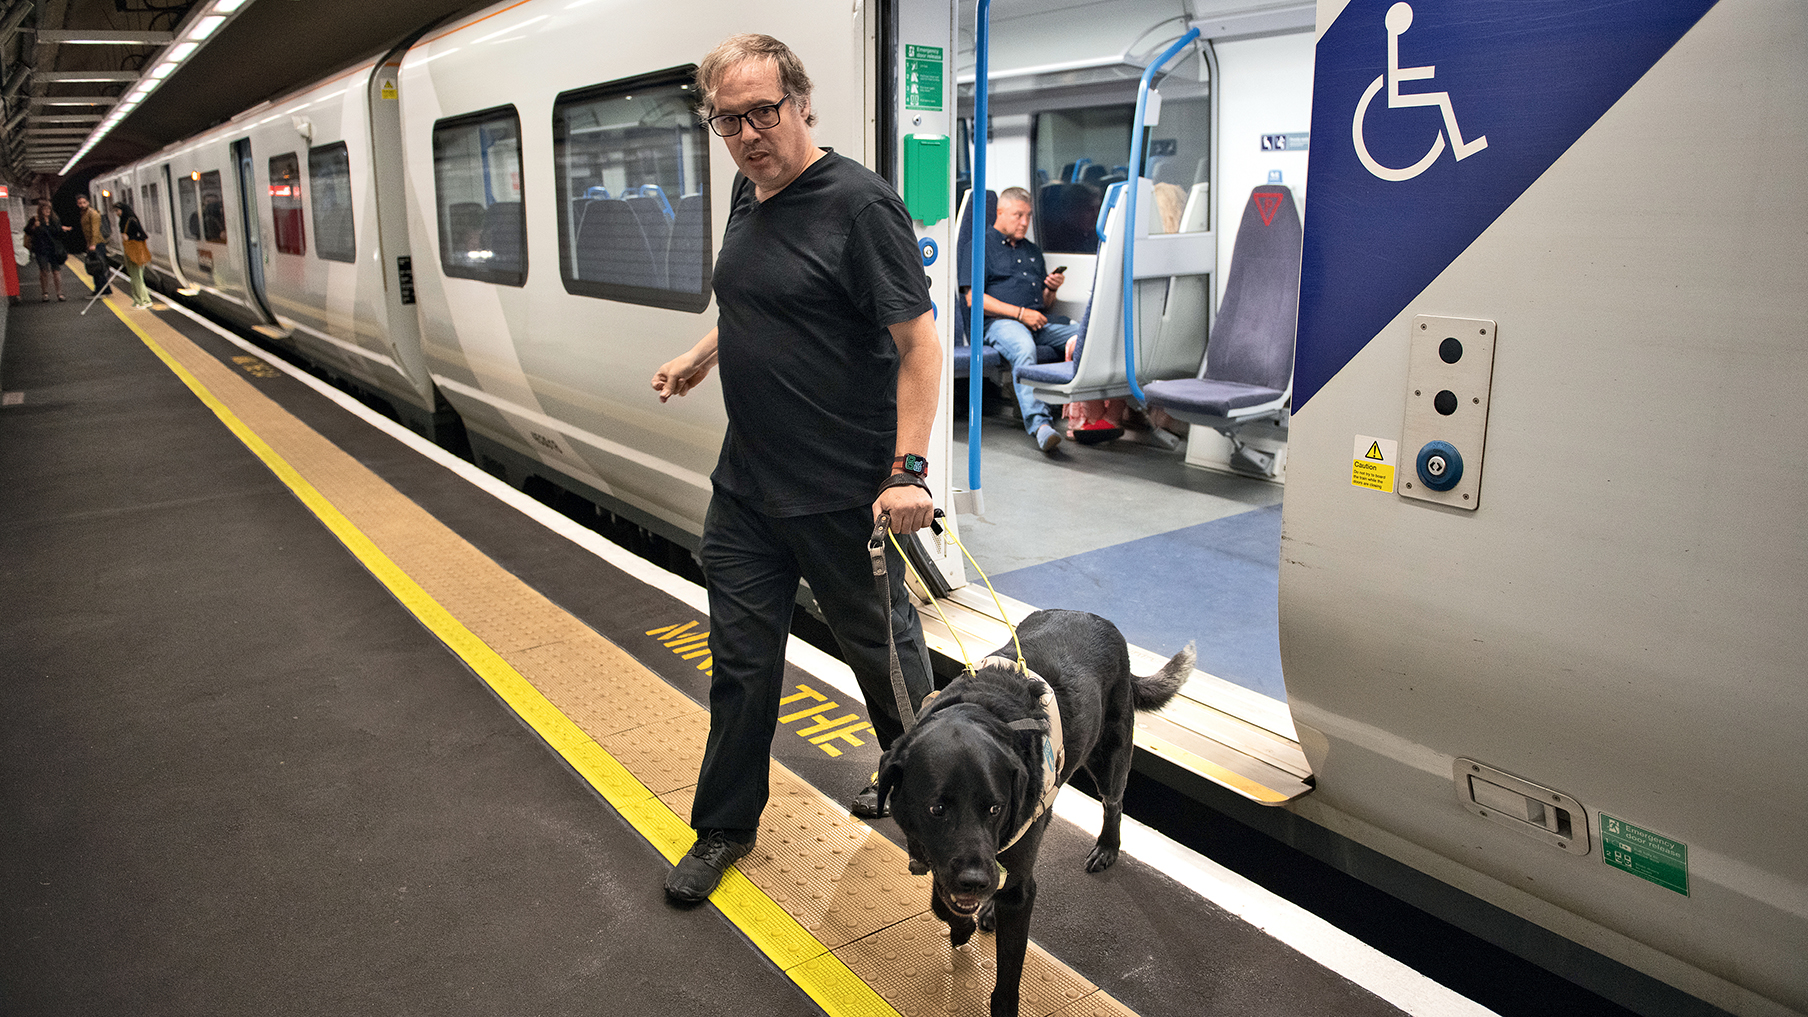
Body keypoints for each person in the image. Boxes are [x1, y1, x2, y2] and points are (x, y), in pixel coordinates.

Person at [650, 33, 939, 905]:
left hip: (843, 495)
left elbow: (918, 344)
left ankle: (948, 826)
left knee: (891, 672)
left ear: (802, 103)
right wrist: (706, 353)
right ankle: (725, 827)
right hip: (747, 491)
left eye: (762, 112)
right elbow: (757, 295)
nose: (746, 134)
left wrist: (910, 468)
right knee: (741, 665)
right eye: (727, 120)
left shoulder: (860, 206)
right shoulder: (749, 191)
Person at [966, 187, 1080, 452]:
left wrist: (1051, 289)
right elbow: (974, 299)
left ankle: (1079, 416)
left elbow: (1045, 304)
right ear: (1000, 212)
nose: (1025, 222)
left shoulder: (1032, 251)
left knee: (1085, 335)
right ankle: (1040, 425)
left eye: (1028, 216)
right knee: (1024, 348)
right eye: (1018, 215)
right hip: (998, 322)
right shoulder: (979, 246)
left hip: (1037, 321)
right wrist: (1019, 314)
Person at [22, 201, 70, 302]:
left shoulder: (55, 220)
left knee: (56, 271)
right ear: (40, 210)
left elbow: (58, 233)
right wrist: (34, 227)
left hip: (54, 249)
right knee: (44, 271)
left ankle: (59, 293)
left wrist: (63, 230)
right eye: (45, 209)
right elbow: (27, 231)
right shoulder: (35, 220)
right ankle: (45, 293)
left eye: (49, 209)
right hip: (41, 249)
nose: (47, 211)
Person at [114, 202, 154, 308]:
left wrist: (130, 238)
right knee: (136, 277)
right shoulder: (124, 220)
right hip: (129, 251)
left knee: (136, 277)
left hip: (135, 252)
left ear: (123, 210)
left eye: (118, 211)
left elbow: (143, 235)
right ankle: (143, 299)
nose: (117, 213)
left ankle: (141, 301)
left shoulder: (131, 220)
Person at [75, 195, 112, 296]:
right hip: (92, 244)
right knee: (95, 268)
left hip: (97, 244)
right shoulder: (84, 214)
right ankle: (100, 289)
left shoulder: (92, 214)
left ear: (88, 202)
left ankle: (104, 290)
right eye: (79, 203)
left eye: (83, 202)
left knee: (99, 267)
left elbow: (95, 230)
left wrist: (93, 244)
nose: (82, 205)